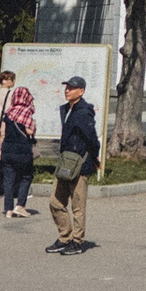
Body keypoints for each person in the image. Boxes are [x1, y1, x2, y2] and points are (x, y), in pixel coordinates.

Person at [48, 75, 99, 253]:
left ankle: (77, 242)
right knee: (55, 202)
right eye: (66, 87)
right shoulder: (67, 109)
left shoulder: (83, 112)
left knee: (78, 206)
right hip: (65, 162)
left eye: (71, 88)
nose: (67, 90)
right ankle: (65, 237)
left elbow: (92, 139)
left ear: (81, 91)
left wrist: (94, 159)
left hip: (80, 164)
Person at [0, 76, 36, 219]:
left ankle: (8, 209)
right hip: (23, 151)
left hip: (7, 150)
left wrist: (0, 151)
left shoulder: (8, 114)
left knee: (8, 180)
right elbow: (29, 132)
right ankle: (20, 206)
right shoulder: (27, 113)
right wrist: (33, 126)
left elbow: (2, 134)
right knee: (26, 177)